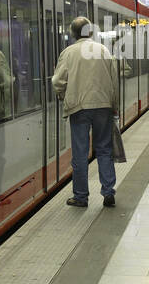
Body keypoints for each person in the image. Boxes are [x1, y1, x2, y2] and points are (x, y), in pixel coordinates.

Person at [51, 16, 121, 207]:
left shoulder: (69, 52)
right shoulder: (104, 50)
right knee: (104, 149)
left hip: (79, 108)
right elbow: (114, 81)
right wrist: (114, 106)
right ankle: (108, 192)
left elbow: (58, 82)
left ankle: (81, 197)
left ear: (73, 33)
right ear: (91, 32)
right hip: (103, 106)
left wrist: (62, 95)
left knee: (80, 153)